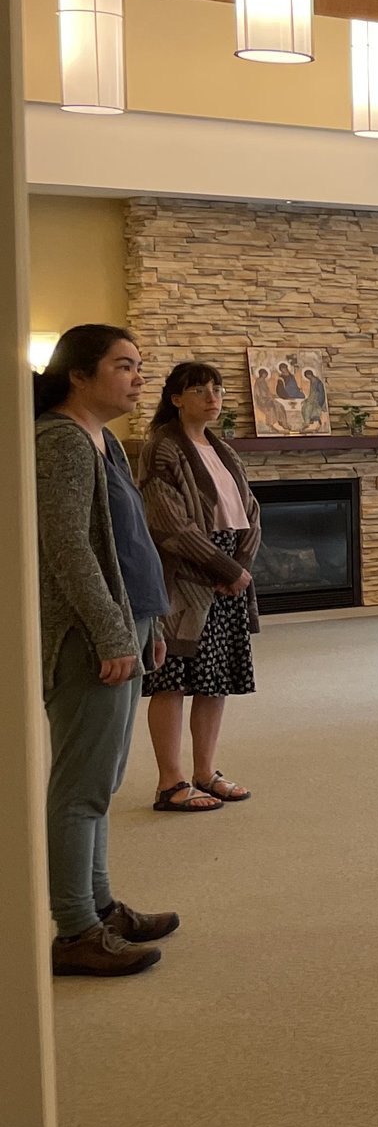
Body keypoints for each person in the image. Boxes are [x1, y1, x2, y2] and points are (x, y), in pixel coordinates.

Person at [33, 326, 178, 977]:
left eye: (140, 366)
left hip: (127, 624)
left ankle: (99, 906)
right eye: (124, 365)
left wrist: (147, 620)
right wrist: (112, 633)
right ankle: (75, 930)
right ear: (78, 374)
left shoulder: (106, 441)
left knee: (104, 779)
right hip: (89, 637)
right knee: (81, 785)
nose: (138, 377)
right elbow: (69, 550)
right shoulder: (60, 441)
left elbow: (125, 545)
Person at [139, 362, 261, 812]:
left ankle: (205, 772)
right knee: (172, 677)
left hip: (228, 574)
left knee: (215, 679)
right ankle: (169, 783)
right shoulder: (162, 449)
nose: (213, 397)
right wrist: (227, 570)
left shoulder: (223, 449)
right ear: (176, 398)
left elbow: (250, 509)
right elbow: (168, 523)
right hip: (185, 577)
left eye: (218, 389)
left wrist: (240, 567)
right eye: (200, 390)